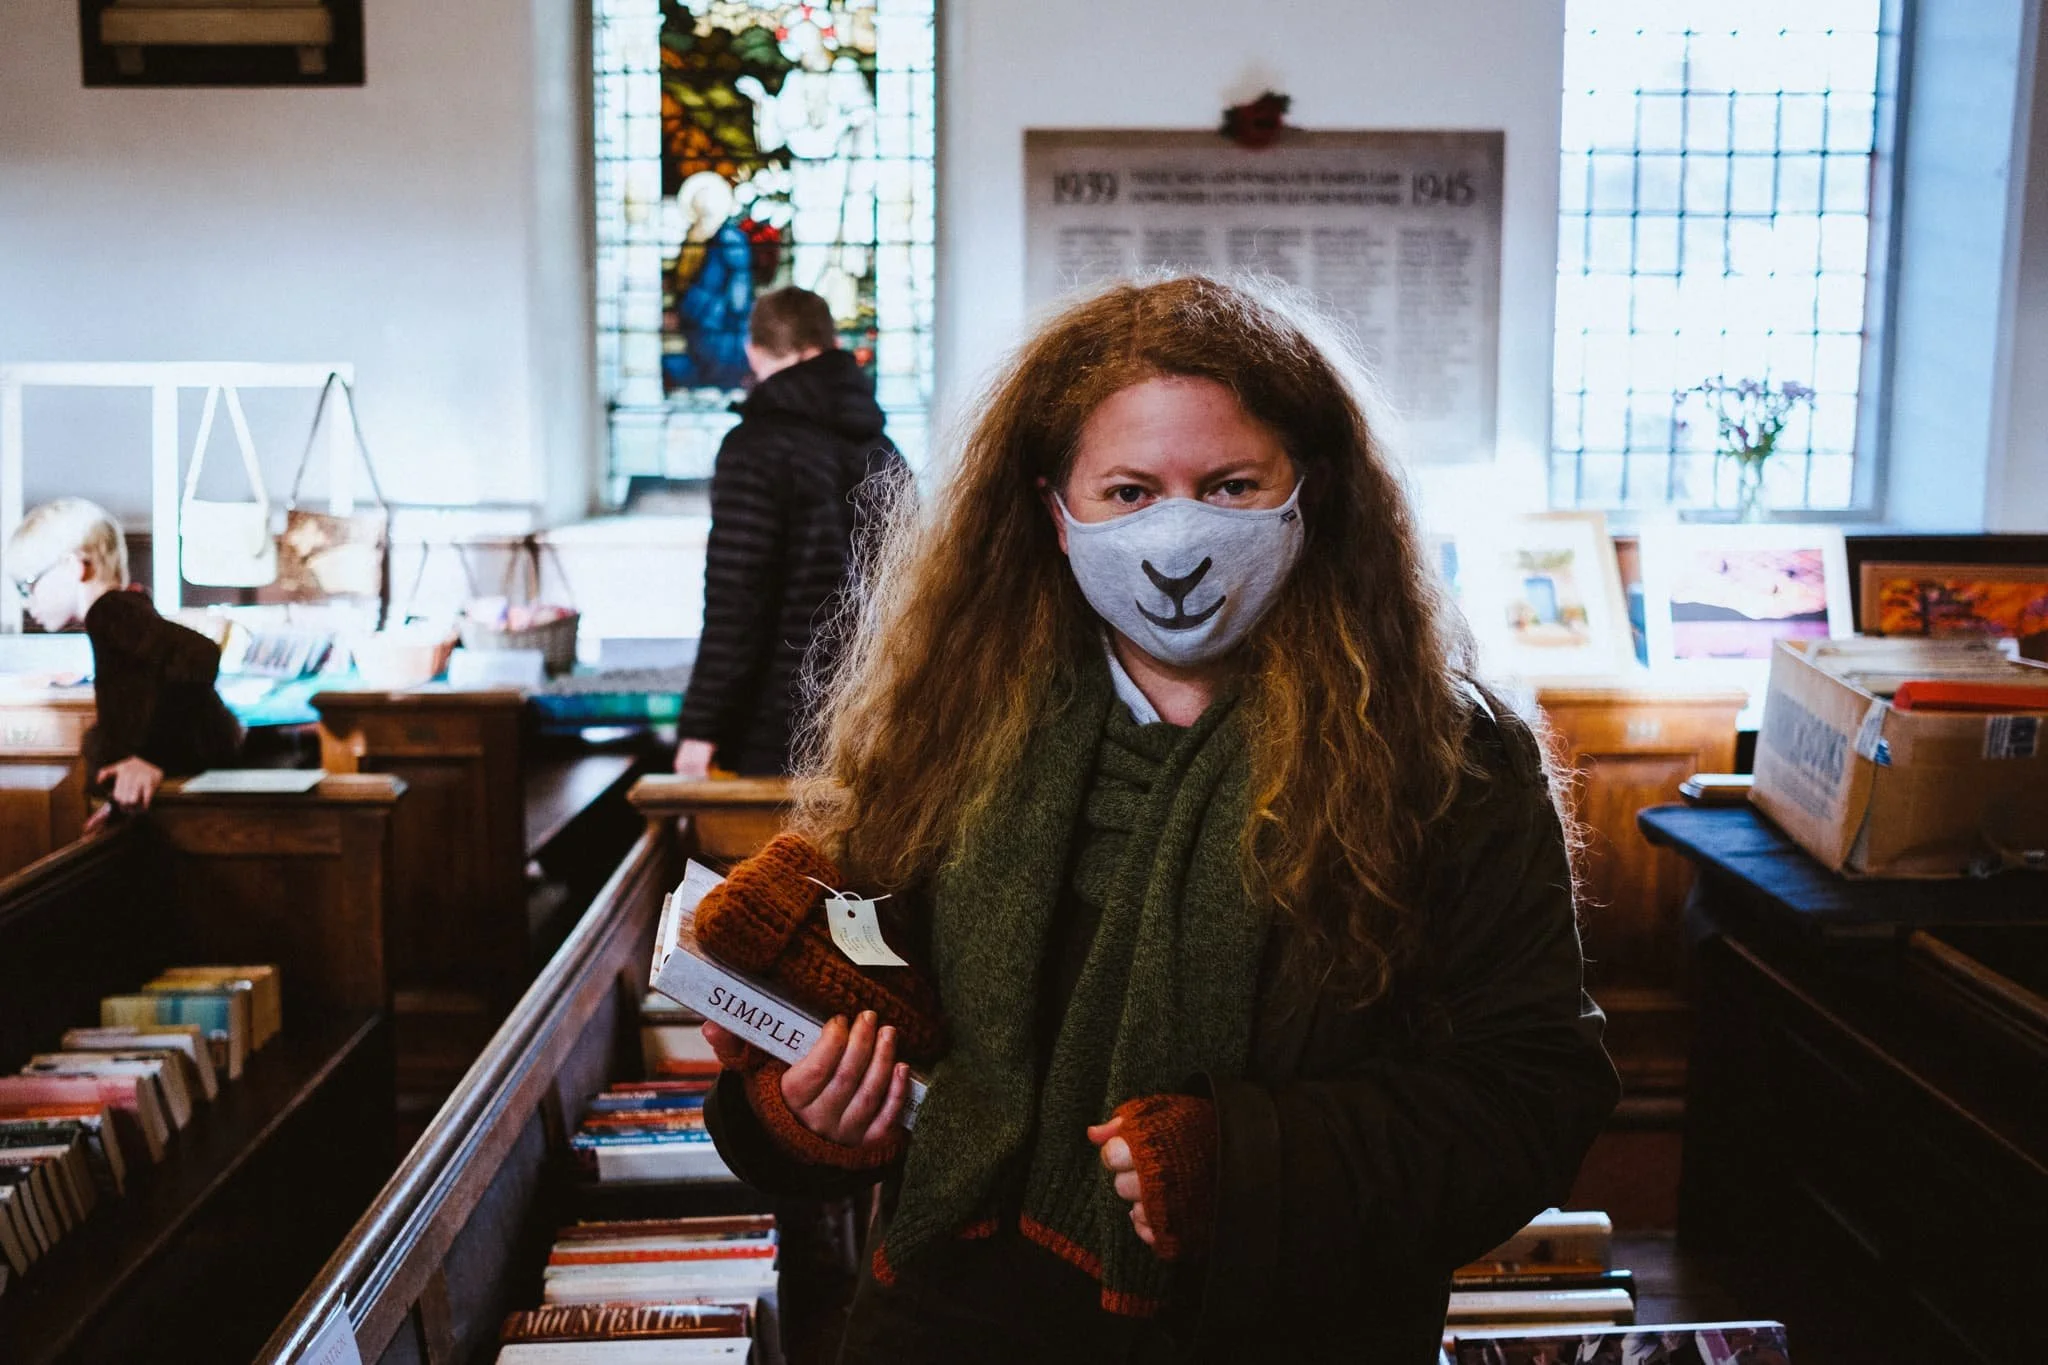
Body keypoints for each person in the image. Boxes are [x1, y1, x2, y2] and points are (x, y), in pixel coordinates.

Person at [696, 276, 1620, 1362]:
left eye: (1229, 486)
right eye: (1129, 492)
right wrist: (798, 1116)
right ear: (1053, 508)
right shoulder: (949, 723)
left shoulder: (1445, 760)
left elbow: (1530, 1097)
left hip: (1279, 1333)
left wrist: (1253, 1168)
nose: (1176, 536)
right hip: (946, 1328)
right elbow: (851, 1033)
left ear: (1306, 493)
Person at [675, 285, 907, 778]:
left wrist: (701, 728)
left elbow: (738, 598)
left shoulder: (754, 447)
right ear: (830, 345)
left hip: (777, 729)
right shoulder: (883, 449)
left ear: (753, 351)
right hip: (875, 722)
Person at [8, 498, 242, 824]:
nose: (26, 602)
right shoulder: (123, 610)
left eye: (28, 585)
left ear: (76, 566)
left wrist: (152, 758)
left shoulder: (111, 612)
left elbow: (198, 654)